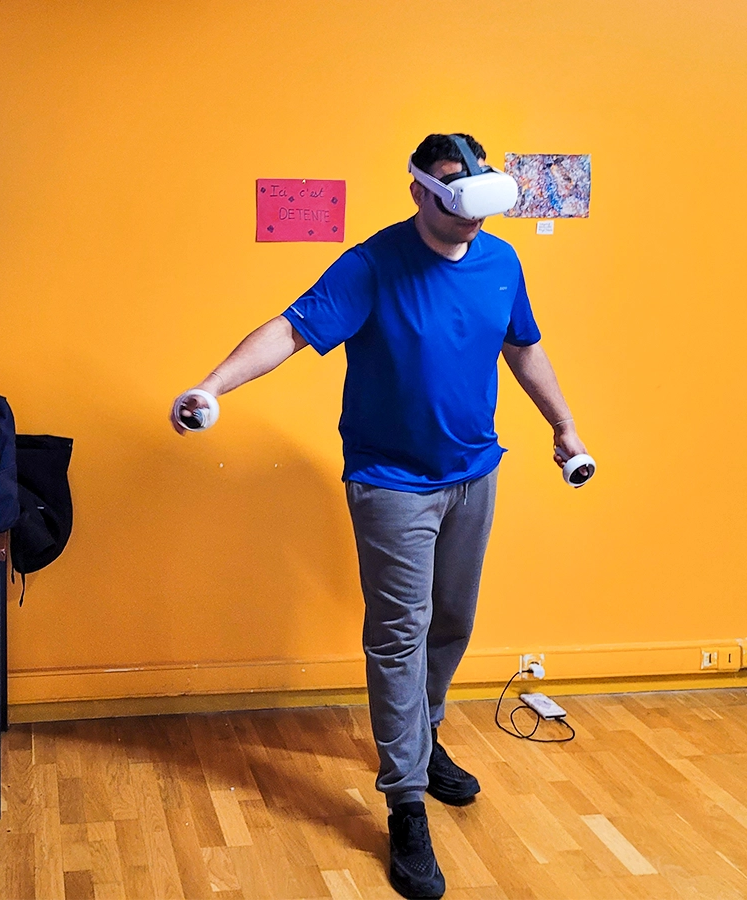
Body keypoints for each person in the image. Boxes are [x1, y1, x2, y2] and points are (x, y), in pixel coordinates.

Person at [170, 133, 588, 900]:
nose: (468, 210)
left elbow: (523, 348)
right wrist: (213, 385)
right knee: (399, 633)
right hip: (392, 482)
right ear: (419, 192)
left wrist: (562, 426)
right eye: (452, 190)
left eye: (477, 189)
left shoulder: (501, 262)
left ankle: (423, 743)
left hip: (475, 472)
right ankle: (404, 800)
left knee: (452, 620)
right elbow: (290, 329)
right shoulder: (372, 263)